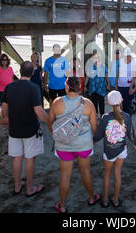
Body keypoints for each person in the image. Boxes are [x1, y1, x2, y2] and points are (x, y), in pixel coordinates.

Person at [49, 77, 99, 213]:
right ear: (80, 87)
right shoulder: (88, 104)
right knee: (86, 171)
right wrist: (94, 139)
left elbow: (51, 124)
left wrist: (58, 137)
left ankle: (63, 205)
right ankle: (91, 198)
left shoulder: (57, 102)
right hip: (84, 144)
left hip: (64, 145)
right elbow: (95, 126)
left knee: (65, 175)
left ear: (66, 87)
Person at [2, 61, 51, 197]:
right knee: (30, 158)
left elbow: (4, 109)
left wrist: (5, 118)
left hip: (14, 129)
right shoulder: (33, 88)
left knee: (17, 158)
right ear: (32, 73)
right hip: (30, 129)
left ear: (20, 71)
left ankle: (17, 186)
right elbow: (39, 110)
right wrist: (50, 122)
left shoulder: (9, 87)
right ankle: (30, 188)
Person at [93, 91, 136, 207]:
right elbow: (131, 134)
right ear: (122, 100)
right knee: (117, 173)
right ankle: (116, 199)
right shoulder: (127, 117)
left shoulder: (105, 118)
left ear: (108, 102)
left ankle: (105, 200)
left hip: (108, 151)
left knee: (107, 174)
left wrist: (92, 140)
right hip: (121, 150)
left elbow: (99, 135)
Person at [117, 47, 136, 116]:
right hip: (120, 85)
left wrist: (131, 87)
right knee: (120, 103)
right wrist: (116, 84)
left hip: (128, 86)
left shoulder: (134, 62)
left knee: (127, 104)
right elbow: (118, 72)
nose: (126, 58)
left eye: (127, 56)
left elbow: (134, 76)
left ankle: (128, 119)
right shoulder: (121, 61)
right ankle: (121, 118)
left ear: (130, 56)